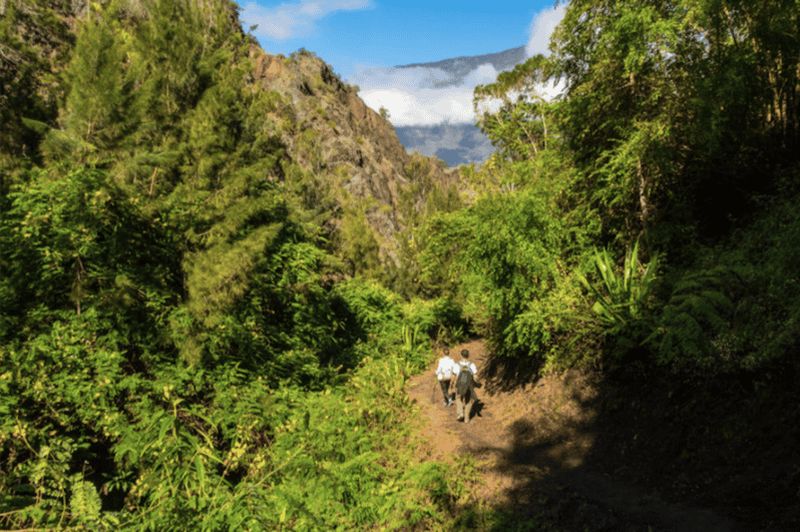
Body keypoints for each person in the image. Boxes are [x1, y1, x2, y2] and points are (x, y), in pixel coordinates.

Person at [453, 348, 479, 423]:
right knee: (469, 400)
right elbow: (475, 375)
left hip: (460, 384)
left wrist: (452, 384)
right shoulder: (472, 365)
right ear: (468, 355)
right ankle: (466, 418)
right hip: (469, 385)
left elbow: (454, 376)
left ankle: (460, 413)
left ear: (461, 355)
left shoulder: (457, 365)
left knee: (458, 398)